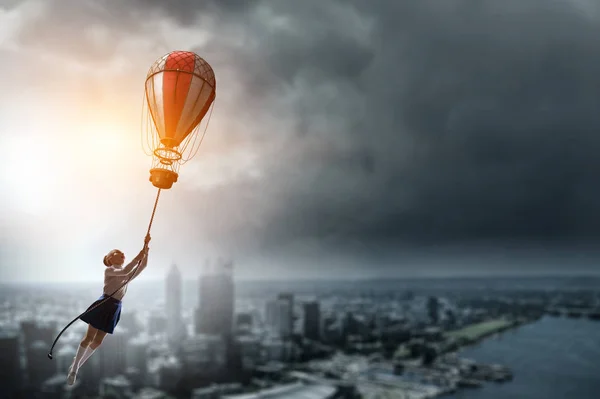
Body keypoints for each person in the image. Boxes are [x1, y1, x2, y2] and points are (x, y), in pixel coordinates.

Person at [67, 234, 151, 385]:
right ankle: (74, 368)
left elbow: (142, 266)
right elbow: (125, 271)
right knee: (89, 338)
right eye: (117, 253)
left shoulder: (126, 275)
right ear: (111, 258)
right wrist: (139, 254)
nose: (122, 254)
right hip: (104, 303)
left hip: (115, 307)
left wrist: (146, 249)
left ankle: (77, 363)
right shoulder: (110, 271)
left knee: (98, 341)